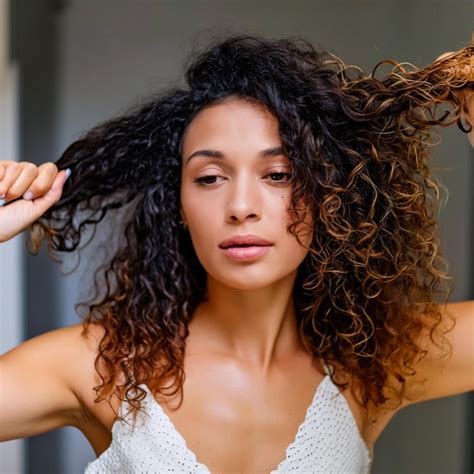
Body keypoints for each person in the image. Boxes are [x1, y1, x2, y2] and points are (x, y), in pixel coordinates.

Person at [0, 34, 472, 473]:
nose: (241, 207)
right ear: (179, 205)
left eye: (279, 174)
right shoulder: (98, 366)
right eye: (209, 178)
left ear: (328, 195)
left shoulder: (375, 360)